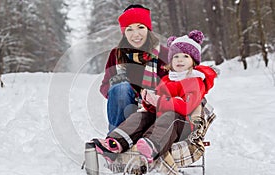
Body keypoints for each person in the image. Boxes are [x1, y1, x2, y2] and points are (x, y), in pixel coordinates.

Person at [93, 30, 217, 164]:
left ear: (194, 61)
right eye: (176, 56)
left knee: (170, 116)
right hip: (159, 120)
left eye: (185, 56)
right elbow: (156, 104)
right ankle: (114, 143)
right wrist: (148, 100)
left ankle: (151, 146)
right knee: (141, 116)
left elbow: (185, 107)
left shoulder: (195, 81)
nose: (180, 59)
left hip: (182, 125)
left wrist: (158, 101)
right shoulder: (166, 80)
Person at [100, 4, 168, 132]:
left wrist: (150, 96)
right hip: (125, 110)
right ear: (124, 33)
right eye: (129, 29)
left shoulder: (163, 54)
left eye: (140, 27)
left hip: (155, 108)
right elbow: (104, 86)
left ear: (148, 29)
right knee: (120, 88)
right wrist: (118, 91)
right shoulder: (117, 54)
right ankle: (118, 138)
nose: (135, 34)